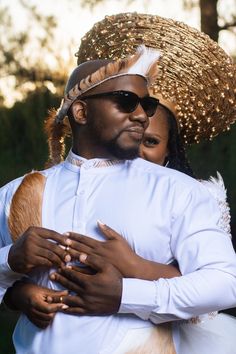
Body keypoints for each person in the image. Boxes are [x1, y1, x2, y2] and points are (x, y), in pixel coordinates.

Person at [1, 17, 236, 354]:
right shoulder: (16, 194)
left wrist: (124, 296)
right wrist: (11, 263)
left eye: (147, 105)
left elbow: (224, 284)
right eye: (126, 101)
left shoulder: (179, 191)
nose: (141, 115)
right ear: (80, 112)